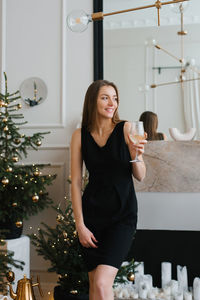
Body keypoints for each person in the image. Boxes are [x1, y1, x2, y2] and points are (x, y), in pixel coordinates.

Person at [70, 80, 147, 300]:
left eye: (114, 98)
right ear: (92, 101)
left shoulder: (126, 128)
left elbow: (140, 175)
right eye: (105, 97)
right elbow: (75, 182)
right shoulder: (79, 136)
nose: (111, 103)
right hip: (92, 218)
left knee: (103, 283)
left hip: (122, 216)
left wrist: (135, 153)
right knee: (95, 286)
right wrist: (80, 225)